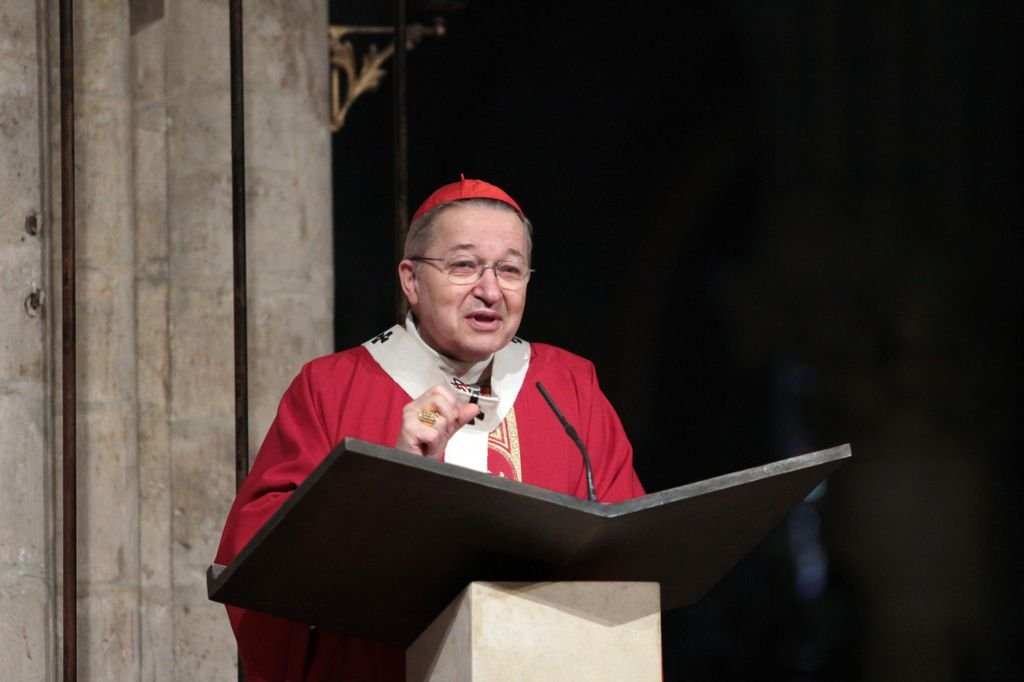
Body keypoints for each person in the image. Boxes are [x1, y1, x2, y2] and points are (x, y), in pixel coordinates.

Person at [214, 176, 646, 680]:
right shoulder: (332, 388)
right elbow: (259, 561)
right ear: (411, 280)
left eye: (510, 269)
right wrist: (388, 483)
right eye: (464, 265)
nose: (490, 290)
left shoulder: (568, 387)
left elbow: (626, 550)